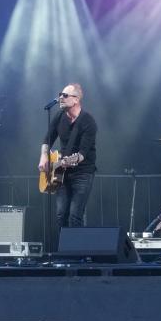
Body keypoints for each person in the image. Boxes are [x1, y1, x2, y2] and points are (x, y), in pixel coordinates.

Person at [38, 83, 97, 230]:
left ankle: (76, 252)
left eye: (65, 95)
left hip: (82, 173)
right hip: (61, 174)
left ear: (76, 100)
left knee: (74, 216)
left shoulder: (88, 121)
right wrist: (44, 157)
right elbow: (47, 140)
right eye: (60, 95)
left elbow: (82, 154)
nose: (60, 98)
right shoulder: (59, 116)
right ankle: (63, 251)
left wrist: (69, 161)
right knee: (61, 215)